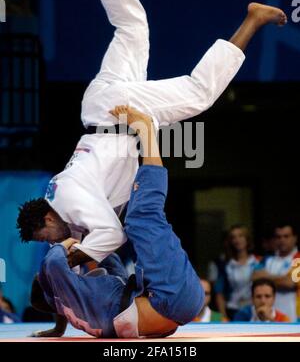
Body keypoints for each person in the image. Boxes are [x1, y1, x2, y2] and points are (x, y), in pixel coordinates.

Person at [17, 0, 287, 268]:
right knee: (133, 29)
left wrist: (67, 261)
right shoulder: (59, 198)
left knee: (198, 93)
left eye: (47, 238)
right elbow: (102, 230)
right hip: (97, 105)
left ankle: (253, 19)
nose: (54, 243)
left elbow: (112, 235)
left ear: (47, 219)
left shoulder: (69, 203)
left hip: (114, 114)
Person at [30, 106, 205, 339]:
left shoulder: (74, 303)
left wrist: (58, 329)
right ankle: (146, 131)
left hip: (169, 307)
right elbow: (53, 265)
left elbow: (109, 259)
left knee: (133, 228)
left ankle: (140, 138)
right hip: (170, 299)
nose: (52, 243)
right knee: (142, 217)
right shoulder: (59, 281)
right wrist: (72, 246)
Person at [252, 224, 300, 322]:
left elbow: (290, 282)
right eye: (278, 237)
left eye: (286, 236)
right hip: (268, 311)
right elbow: (255, 277)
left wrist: (266, 277)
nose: (282, 240)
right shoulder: (266, 259)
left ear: (295, 238)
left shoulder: (298, 258)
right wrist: (282, 278)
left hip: (292, 313)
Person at [214, 225, 261, 320]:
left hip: (254, 310)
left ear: (247, 239)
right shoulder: (225, 265)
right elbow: (219, 293)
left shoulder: (258, 262)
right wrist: (223, 316)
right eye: (233, 237)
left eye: (240, 236)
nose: (237, 240)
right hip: (233, 310)